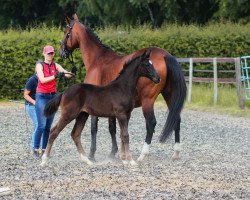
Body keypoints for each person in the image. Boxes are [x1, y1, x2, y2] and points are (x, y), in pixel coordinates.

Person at [33, 45, 72, 157]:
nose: (50, 55)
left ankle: (45, 149)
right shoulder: (39, 65)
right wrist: (56, 76)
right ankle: (36, 148)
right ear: (44, 54)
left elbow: (66, 74)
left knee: (48, 126)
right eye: (48, 53)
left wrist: (71, 72)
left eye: (52, 53)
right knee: (41, 125)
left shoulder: (56, 65)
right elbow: (42, 79)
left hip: (52, 97)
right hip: (41, 96)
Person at [24, 73, 42, 151]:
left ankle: (40, 146)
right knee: (38, 125)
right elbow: (25, 95)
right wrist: (34, 102)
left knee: (41, 126)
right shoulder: (31, 80)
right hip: (31, 106)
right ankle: (35, 148)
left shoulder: (44, 80)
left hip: (41, 106)